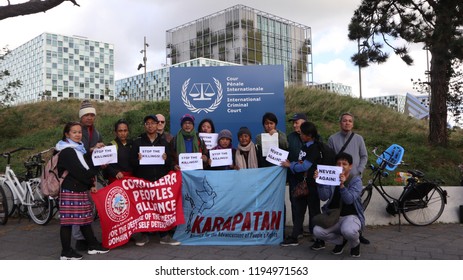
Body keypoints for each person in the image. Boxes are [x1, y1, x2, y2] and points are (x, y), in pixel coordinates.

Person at [56, 121, 109, 260]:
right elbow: (80, 172)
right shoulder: (67, 151)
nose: (78, 135)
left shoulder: (78, 149)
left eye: (79, 132)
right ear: (67, 134)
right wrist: (94, 173)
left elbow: (87, 167)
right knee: (67, 223)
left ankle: (92, 245)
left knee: (85, 220)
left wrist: (98, 164)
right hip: (71, 190)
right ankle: (66, 252)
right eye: (74, 132)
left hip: (78, 189)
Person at [130, 114, 179, 246]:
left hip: (159, 182)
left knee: (160, 207)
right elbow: (132, 163)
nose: (150, 125)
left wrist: (165, 158)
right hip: (144, 182)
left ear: (158, 125)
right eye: (147, 123)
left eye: (153, 123)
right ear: (145, 126)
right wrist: (138, 159)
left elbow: (169, 162)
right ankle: (144, 235)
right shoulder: (137, 142)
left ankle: (164, 235)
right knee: (145, 209)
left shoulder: (164, 143)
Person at [312, 152, 365, 257]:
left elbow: (349, 200)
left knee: (348, 231)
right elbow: (323, 197)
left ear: (350, 166)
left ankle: (355, 244)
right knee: (317, 231)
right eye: (338, 164)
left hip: (351, 216)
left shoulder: (356, 180)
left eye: (344, 164)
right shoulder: (331, 177)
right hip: (334, 216)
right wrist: (320, 182)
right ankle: (340, 241)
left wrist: (342, 186)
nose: (341, 166)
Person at [327, 112, 369, 245]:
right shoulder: (332, 139)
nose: (347, 123)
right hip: (338, 178)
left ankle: (358, 233)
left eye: (350, 121)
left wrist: (359, 170)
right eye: (345, 121)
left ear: (353, 124)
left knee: (356, 205)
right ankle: (341, 233)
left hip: (354, 178)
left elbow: (364, 156)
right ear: (340, 123)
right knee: (338, 203)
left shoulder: (358, 139)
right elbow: (329, 158)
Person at [280, 121, 322, 247]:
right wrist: (293, 163)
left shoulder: (315, 147)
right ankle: (294, 236)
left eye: (303, 133)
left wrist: (290, 165)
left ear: (309, 135)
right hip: (302, 184)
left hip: (312, 185)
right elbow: (300, 162)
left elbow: (305, 166)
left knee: (314, 212)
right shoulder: (305, 147)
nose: (301, 135)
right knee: (299, 210)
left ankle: (319, 239)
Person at [74, 100, 105, 251]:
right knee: (78, 208)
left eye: (92, 115)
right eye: (86, 115)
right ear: (81, 116)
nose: (89, 117)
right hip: (78, 174)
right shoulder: (76, 130)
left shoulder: (96, 132)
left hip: (91, 173)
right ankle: (80, 240)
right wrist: (93, 149)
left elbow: (99, 151)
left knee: (88, 207)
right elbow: (76, 150)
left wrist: (104, 159)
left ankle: (85, 238)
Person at [286, 113, 308, 238]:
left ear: (304, 123)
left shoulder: (314, 137)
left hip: (309, 177)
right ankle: (297, 230)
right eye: (293, 123)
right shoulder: (290, 137)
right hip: (294, 177)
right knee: (295, 203)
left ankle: (314, 231)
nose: (294, 125)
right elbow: (286, 155)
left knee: (312, 204)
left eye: (296, 122)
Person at [104, 119, 133, 183]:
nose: (123, 133)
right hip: (116, 179)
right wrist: (115, 173)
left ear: (128, 131)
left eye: (125, 131)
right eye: (120, 131)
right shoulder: (111, 145)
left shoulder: (132, 144)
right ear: (115, 132)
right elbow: (107, 165)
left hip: (130, 179)